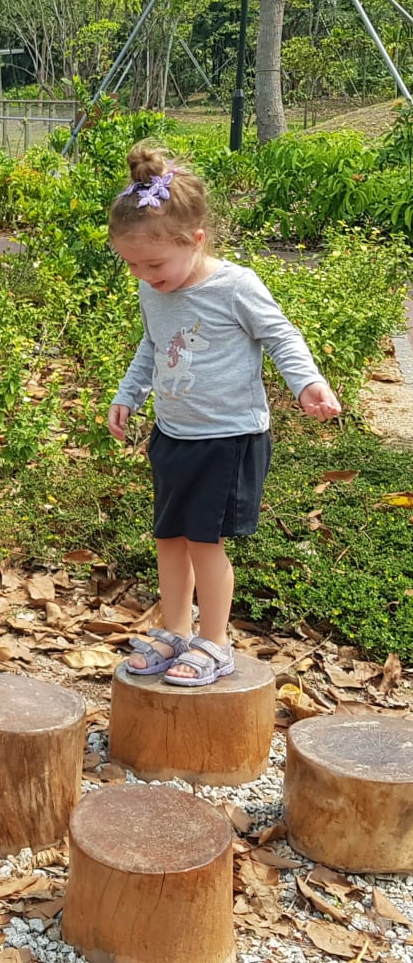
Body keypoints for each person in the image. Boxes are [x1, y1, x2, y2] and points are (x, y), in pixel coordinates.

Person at [106, 143, 342, 687]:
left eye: (154, 263)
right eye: (132, 265)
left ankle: (215, 640)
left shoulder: (235, 286)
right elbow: (152, 344)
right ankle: (175, 629)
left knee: (205, 543)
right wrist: (129, 392)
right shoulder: (154, 288)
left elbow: (280, 335)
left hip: (228, 437)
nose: (144, 274)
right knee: (170, 538)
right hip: (174, 433)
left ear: (196, 240)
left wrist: (307, 382)